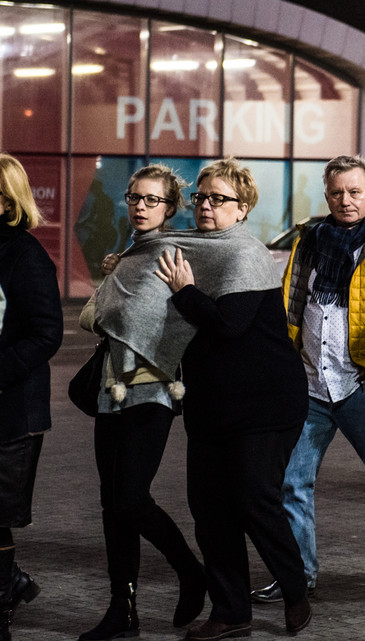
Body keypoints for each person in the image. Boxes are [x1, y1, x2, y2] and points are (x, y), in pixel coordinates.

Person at [249, 155, 365, 604]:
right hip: (308, 385)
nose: (345, 200)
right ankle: (297, 573)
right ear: (326, 195)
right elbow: (292, 300)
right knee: (291, 482)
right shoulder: (309, 239)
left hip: (363, 385)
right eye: (337, 192)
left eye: (354, 192)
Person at [155, 158, 312, 639]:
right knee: (209, 509)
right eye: (201, 197)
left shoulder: (245, 255)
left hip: (266, 402)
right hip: (212, 402)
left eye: (218, 199)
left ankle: (294, 588)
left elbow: (227, 326)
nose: (206, 205)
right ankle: (231, 612)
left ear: (242, 209)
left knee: (252, 498)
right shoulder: (188, 246)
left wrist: (184, 291)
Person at [77, 165, 206, 640]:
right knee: (112, 505)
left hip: (153, 391)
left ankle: (190, 571)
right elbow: (99, 316)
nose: (140, 206)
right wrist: (113, 283)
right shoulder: (129, 254)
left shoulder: (177, 254)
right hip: (110, 390)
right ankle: (122, 610)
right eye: (134, 197)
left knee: (131, 498)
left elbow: (181, 319)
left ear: (170, 208)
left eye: (152, 200)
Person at [0, 154, 63, 641]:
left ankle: (3, 598)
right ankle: (11, 583)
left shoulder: (25, 254)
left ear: (7, 202)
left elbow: (46, 333)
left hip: (9, 410)